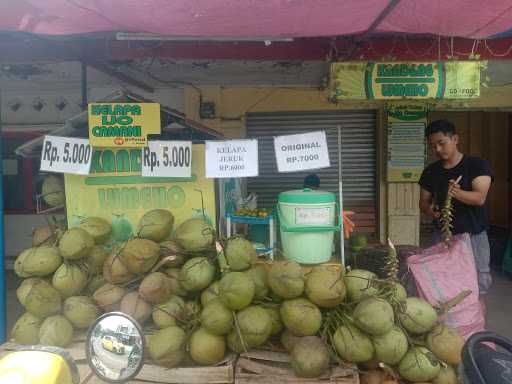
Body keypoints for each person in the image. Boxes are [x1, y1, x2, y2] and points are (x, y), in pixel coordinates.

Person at [418, 119, 494, 297]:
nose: (437, 149)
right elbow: (423, 203)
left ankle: (475, 321)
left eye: (441, 143)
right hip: (443, 236)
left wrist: (456, 193)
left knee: (478, 283)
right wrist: (431, 211)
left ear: (455, 139)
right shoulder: (430, 171)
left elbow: (479, 198)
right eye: (432, 145)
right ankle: (448, 322)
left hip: (473, 236)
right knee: (443, 281)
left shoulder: (477, 165)